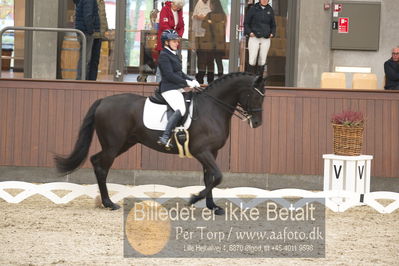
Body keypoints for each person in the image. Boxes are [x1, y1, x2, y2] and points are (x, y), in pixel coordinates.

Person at [157, 30, 200, 148]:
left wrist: (191, 79)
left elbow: (180, 73)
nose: (177, 43)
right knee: (180, 108)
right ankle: (165, 136)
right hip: (169, 88)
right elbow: (169, 75)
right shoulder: (164, 56)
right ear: (166, 42)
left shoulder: (173, 54)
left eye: (177, 41)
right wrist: (185, 82)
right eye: (174, 41)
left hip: (176, 87)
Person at [244, 0, 276, 76]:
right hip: (254, 37)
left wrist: (272, 33)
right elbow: (246, 23)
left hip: (266, 38)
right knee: (252, 59)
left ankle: (259, 80)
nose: (264, 0)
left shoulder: (270, 10)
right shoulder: (253, 8)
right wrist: (250, 33)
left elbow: (273, 25)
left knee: (262, 60)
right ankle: (250, 79)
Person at [155, 0, 185, 82]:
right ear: (173, 3)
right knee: (162, 64)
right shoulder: (165, 10)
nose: (178, 8)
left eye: (180, 7)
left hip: (174, 42)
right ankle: (158, 84)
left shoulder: (179, 11)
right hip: (165, 41)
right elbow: (164, 25)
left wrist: (179, 36)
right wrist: (174, 35)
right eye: (177, 6)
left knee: (175, 65)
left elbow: (181, 26)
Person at [74, 0, 101, 80]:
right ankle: (81, 80)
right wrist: (91, 30)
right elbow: (88, 15)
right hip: (86, 32)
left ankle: (81, 79)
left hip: (84, 31)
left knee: (85, 57)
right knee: (85, 58)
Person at [201, 0, 226, 80]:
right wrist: (211, 23)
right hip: (211, 42)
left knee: (218, 62)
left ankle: (220, 79)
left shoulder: (222, 15)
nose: (210, 6)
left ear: (215, 5)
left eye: (211, 4)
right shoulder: (209, 14)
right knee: (210, 62)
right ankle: (212, 79)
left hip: (218, 42)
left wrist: (211, 23)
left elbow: (220, 28)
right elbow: (203, 25)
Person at [192, 0, 212, 84]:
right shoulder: (199, 3)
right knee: (200, 58)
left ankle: (210, 81)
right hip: (199, 35)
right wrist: (197, 16)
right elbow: (193, 16)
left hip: (210, 36)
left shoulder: (212, 3)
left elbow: (215, 18)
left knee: (210, 59)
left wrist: (204, 18)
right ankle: (200, 80)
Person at [88, 0, 108, 81]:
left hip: (99, 35)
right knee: (88, 60)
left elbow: (103, 16)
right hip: (91, 34)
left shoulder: (101, 2)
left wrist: (105, 28)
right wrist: (90, 30)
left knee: (95, 61)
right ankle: (85, 81)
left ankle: (92, 80)